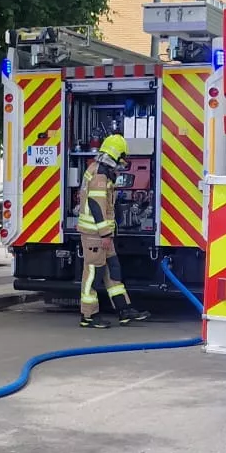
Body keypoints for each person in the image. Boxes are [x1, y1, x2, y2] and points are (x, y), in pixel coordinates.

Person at [76, 134, 149, 329]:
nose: (123, 162)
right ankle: (89, 315)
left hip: (101, 233)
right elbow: (96, 204)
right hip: (95, 235)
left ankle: (124, 310)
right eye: (122, 157)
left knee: (113, 270)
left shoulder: (101, 171)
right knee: (93, 272)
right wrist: (105, 234)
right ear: (115, 154)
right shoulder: (100, 175)